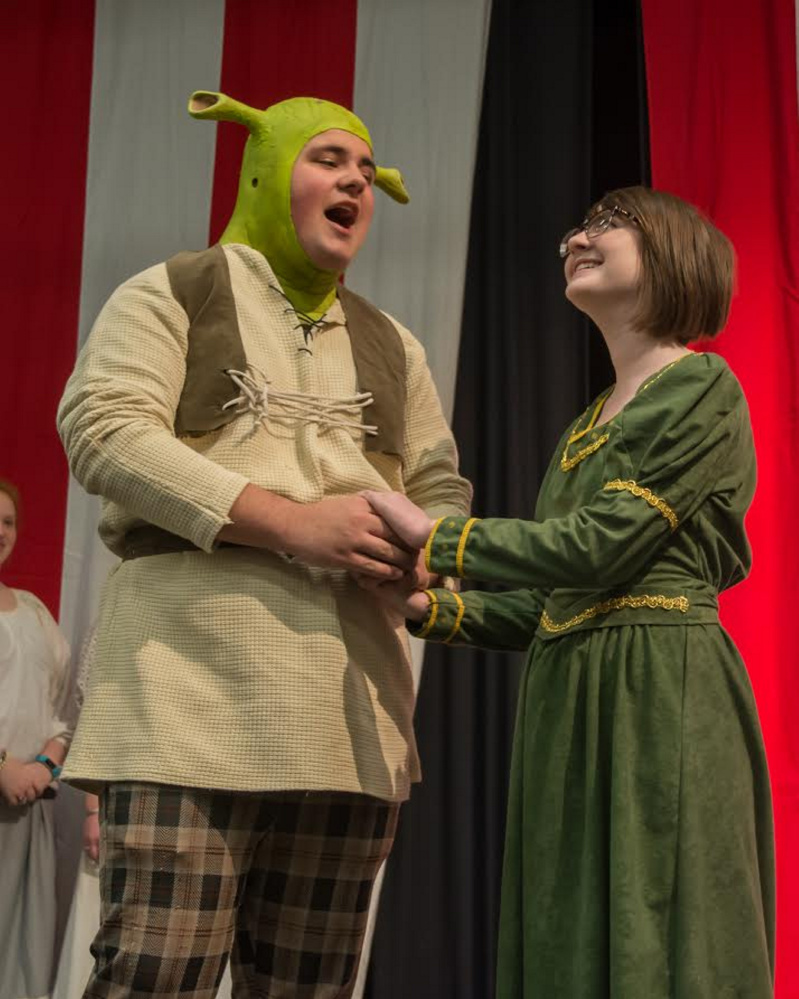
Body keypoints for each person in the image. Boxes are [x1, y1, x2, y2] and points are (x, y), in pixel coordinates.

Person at [57, 91, 470, 998]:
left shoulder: (392, 344)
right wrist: (293, 521)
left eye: (365, 170)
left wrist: (419, 565)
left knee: (310, 987)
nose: (354, 181)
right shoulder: (176, 288)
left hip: (348, 716)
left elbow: (438, 488)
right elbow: (104, 428)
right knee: (154, 976)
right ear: (267, 169)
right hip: (185, 697)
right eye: (328, 159)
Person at [363, 188, 775, 998]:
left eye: (606, 225)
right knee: (569, 917)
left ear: (669, 252)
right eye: (576, 228)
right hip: (571, 688)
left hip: (658, 686)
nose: (575, 240)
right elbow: (554, 600)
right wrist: (423, 606)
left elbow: (599, 547)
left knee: (660, 915)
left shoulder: (701, 388)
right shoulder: (587, 422)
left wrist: (437, 536)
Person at [0, 479, 73, 999]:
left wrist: (42, 767)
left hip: (27, 809)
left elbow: (63, 711)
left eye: (7, 521)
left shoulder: (33, 612)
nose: (0, 531)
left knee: (19, 956)